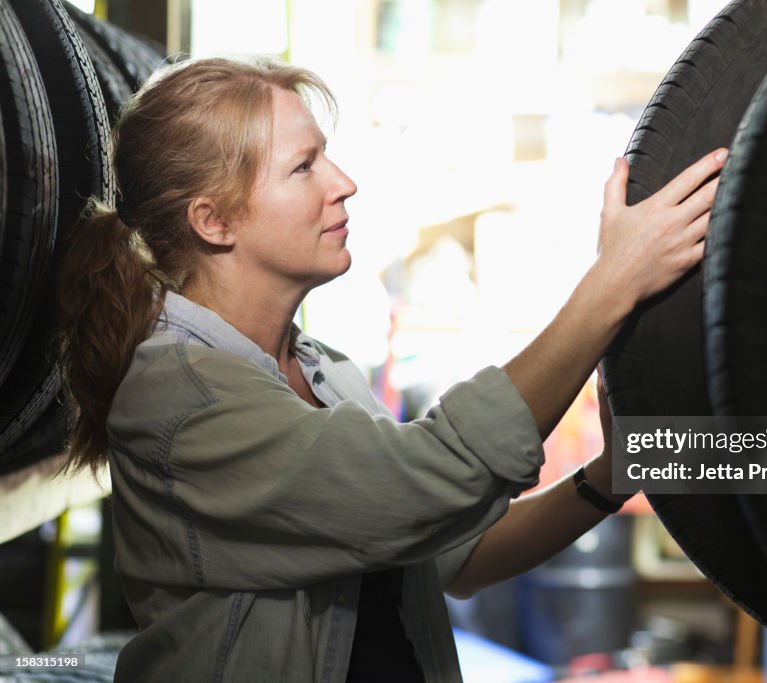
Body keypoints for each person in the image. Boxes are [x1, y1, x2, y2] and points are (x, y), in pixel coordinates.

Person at [55, 57, 726, 683]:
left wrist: (608, 476)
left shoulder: (324, 374)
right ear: (215, 220)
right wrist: (614, 281)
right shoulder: (182, 400)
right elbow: (437, 476)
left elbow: (458, 551)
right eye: (304, 167)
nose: (343, 183)